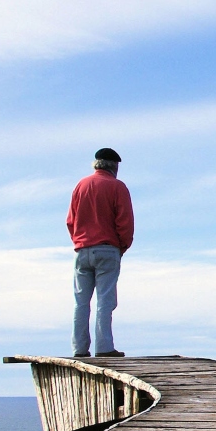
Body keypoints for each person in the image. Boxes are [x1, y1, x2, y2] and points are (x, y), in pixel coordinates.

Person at [67, 147, 134, 358]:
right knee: (105, 301)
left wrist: (79, 241)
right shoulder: (117, 187)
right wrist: (122, 247)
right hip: (107, 248)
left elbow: (71, 220)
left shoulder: (81, 185)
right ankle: (104, 347)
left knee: (81, 302)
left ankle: (79, 348)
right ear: (114, 166)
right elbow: (125, 222)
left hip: (82, 249)